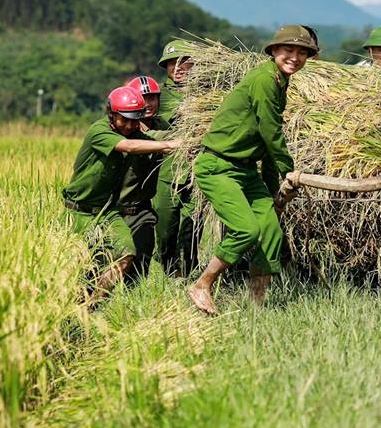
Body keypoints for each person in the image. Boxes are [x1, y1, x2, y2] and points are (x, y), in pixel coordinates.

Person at [187, 25, 318, 315]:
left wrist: (277, 185)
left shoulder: (280, 81)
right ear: (273, 51)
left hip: (246, 171)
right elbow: (271, 133)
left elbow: (266, 143)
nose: (294, 57)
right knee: (246, 230)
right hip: (219, 166)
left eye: (302, 53)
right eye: (288, 50)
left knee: (270, 230)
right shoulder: (264, 80)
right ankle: (202, 284)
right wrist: (290, 169)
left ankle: (256, 308)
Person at [62, 86, 181, 300]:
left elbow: (151, 140)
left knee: (127, 255)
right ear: (111, 114)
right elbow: (129, 146)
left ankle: (93, 305)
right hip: (79, 210)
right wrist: (170, 145)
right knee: (85, 264)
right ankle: (76, 301)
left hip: (108, 212)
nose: (128, 126)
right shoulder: (99, 131)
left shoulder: (136, 134)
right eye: (123, 120)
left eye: (134, 120)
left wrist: (188, 141)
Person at [151, 40, 199, 277]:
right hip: (167, 172)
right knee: (165, 225)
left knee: (192, 226)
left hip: (198, 171)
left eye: (184, 62)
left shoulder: (207, 94)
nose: (178, 68)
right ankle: (168, 267)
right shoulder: (158, 97)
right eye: (172, 63)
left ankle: (189, 271)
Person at [115, 76, 165, 281]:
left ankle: (134, 301)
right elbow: (152, 140)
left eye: (153, 98)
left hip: (142, 206)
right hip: (117, 207)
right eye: (144, 98)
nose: (149, 103)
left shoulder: (162, 125)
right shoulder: (126, 130)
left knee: (142, 259)